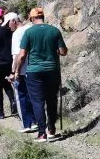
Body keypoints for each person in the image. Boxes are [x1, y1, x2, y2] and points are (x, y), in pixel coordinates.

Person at [13, 8, 67, 143]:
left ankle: (42, 133)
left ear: (31, 19)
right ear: (43, 16)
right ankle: (51, 130)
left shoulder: (29, 32)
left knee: (38, 102)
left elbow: (22, 55)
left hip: (34, 72)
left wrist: (17, 71)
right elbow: (63, 52)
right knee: (51, 100)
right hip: (52, 70)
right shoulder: (54, 31)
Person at [6, 13, 37, 133]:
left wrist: (14, 72)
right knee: (31, 97)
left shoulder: (16, 34)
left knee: (20, 97)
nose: (9, 27)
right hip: (33, 69)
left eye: (9, 23)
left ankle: (26, 124)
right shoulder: (30, 29)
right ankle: (34, 121)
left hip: (22, 71)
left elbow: (17, 56)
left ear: (14, 21)